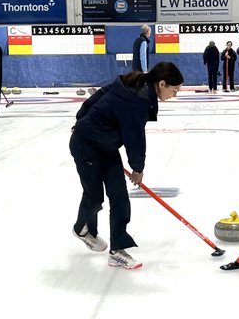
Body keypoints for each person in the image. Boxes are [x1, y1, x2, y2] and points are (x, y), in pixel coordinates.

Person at [70, 61, 184, 270]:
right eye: (174, 90)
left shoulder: (137, 86)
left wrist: (80, 119)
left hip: (106, 145)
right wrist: (137, 168)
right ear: (162, 84)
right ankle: (83, 228)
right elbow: (134, 137)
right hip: (86, 145)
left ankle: (117, 250)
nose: (174, 95)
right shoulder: (138, 98)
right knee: (94, 197)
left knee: (120, 197)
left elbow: (100, 95)